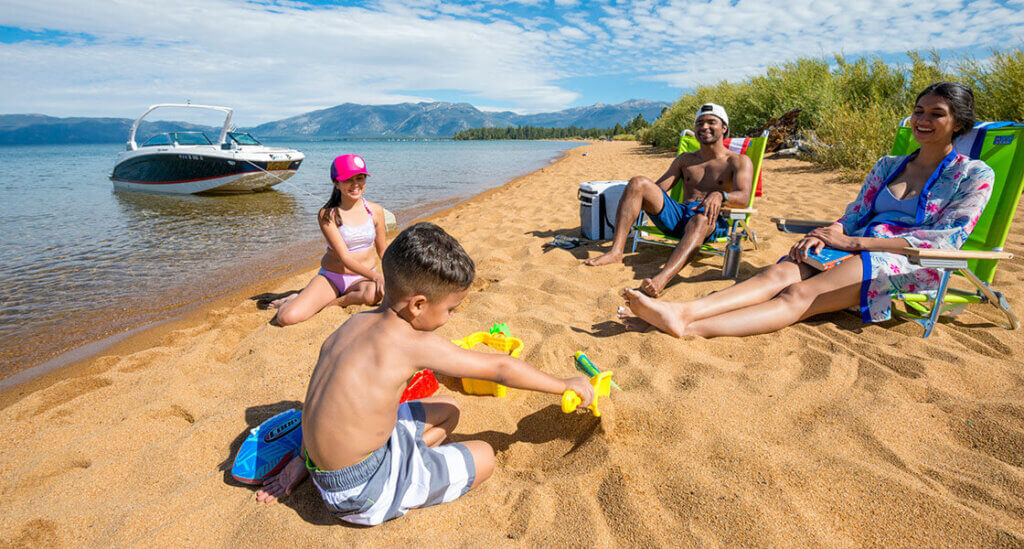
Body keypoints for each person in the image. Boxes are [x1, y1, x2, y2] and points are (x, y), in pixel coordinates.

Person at [255, 222, 594, 525]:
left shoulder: (355, 323)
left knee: (449, 409)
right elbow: (501, 369)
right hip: (361, 492)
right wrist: (565, 383)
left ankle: (401, 461)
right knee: (485, 457)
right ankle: (409, 475)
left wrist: (303, 459)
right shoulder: (413, 343)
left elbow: (322, 404)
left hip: (318, 463)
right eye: (449, 309)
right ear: (417, 304)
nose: (449, 318)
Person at [618, 82, 994, 338]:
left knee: (796, 296)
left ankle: (687, 327)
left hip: (904, 261)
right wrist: (823, 234)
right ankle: (684, 309)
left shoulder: (973, 174)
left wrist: (854, 242)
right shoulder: (888, 165)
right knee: (776, 272)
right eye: (918, 111)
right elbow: (854, 213)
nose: (923, 121)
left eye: (936, 114)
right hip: (854, 244)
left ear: (958, 122)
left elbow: (945, 239)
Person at [585, 103, 753, 298]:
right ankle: (616, 252)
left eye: (711, 122)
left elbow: (744, 198)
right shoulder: (685, 160)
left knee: (700, 219)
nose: (704, 127)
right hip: (679, 217)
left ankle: (662, 278)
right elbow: (658, 189)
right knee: (638, 183)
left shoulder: (738, 161)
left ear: (724, 128)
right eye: (699, 123)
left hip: (711, 220)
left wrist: (720, 195)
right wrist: (640, 193)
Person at [270, 154, 388, 326]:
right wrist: (377, 277)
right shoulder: (327, 215)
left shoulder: (375, 211)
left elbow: (383, 250)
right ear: (336, 183)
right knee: (286, 318)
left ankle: (337, 302)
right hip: (333, 277)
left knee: (373, 295)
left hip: (362, 278)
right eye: (349, 179)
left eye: (360, 178)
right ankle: (290, 301)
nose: (356, 184)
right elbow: (345, 258)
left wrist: (390, 275)